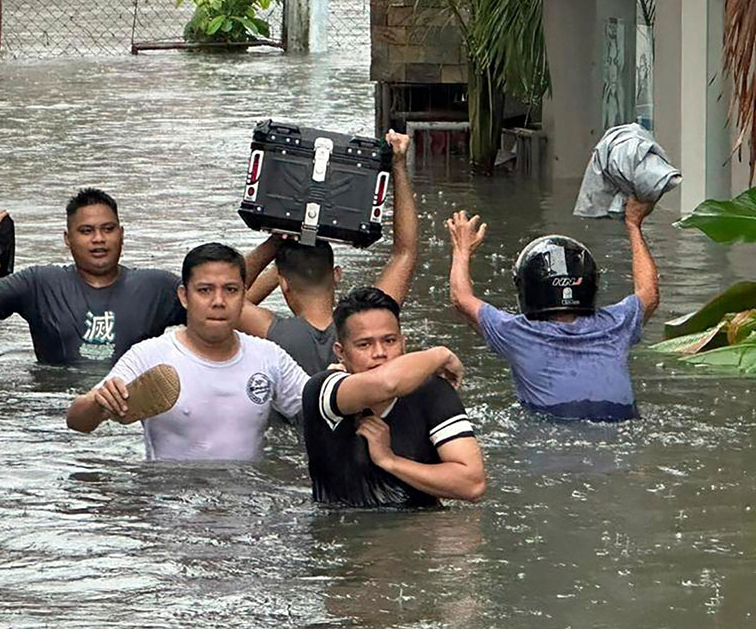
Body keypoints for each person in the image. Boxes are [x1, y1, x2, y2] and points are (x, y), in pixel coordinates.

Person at [65, 243, 309, 461]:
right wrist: (97, 403)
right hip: (171, 502)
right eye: (205, 290)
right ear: (184, 296)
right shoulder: (149, 355)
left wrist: (336, 382)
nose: (218, 301)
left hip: (246, 502)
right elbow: (78, 422)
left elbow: (319, 407)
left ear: (244, 295)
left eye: (231, 290)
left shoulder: (268, 357)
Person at [446, 197, 659, 421]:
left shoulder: (516, 333)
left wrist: (462, 250)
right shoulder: (617, 325)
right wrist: (634, 224)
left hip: (554, 428)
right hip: (620, 424)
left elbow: (461, 298)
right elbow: (649, 292)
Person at [0, 188, 184, 364]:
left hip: (128, 412)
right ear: (68, 239)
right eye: (86, 231)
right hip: (54, 415)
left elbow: (213, 321)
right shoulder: (40, 283)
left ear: (121, 234)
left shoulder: (157, 287)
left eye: (107, 229)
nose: (98, 239)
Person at [238, 130, 418, 374]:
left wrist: (275, 243)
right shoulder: (368, 326)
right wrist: (398, 164)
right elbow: (404, 253)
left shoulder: (275, 335)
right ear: (336, 275)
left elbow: (226, 296)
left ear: (283, 284)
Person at [301, 287, 485, 508]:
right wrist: (440, 354)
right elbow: (387, 383)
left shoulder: (433, 392)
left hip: (421, 530)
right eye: (364, 344)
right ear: (341, 352)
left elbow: (472, 484)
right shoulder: (324, 389)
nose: (379, 353)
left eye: (389, 341)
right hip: (345, 532)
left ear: (403, 343)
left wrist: (390, 461)